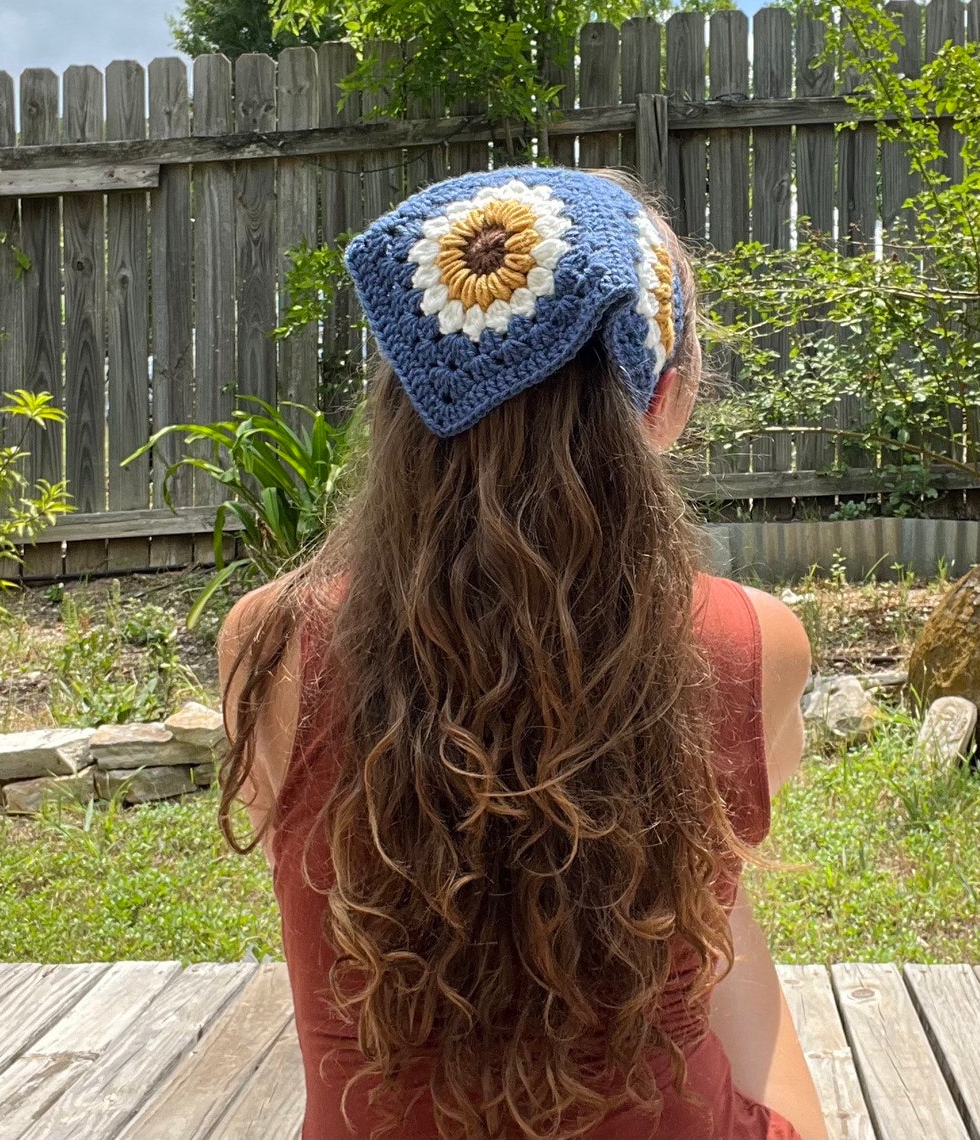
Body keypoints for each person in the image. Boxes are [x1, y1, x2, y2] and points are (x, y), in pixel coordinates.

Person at [218, 166, 827, 1140]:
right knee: (725, 894)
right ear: (665, 403)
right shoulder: (752, 644)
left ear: (399, 402)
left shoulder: (271, 643)